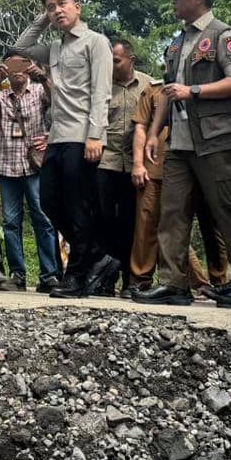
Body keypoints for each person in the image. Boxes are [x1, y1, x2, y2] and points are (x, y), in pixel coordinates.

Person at [135, 0, 231, 307]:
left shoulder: (222, 35)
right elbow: (167, 93)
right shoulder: (177, 41)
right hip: (180, 144)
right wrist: (155, 132)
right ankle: (174, 284)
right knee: (172, 212)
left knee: (226, 212)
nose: (174, 1)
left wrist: (195, 91)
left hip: (216, 141)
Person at [13, 0, 114, 298]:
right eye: (50, 7)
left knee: (77, 206)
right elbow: (21, 47)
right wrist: (42, 20)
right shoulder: (54, 48)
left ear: (78, 6)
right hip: (56, 138)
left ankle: (78, 275)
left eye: (62, 4)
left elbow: (102, 92)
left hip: (82, 137)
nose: (57, 10)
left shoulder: (96, 42)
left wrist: (96, 135)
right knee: (49, 202)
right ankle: (97, 254)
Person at [130, 53, 231, 293]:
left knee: (211, 224)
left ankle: (219, 283)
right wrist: (138, 163)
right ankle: (142, 281)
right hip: (158, 165)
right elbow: (141, 127)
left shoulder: (208, 87)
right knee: (152, 225)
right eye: (170, 61)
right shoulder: (155, 90)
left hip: (202, 163)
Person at [0, 52, 61, 292]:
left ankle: (50, 274)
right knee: (11, 222)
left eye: (21, 64)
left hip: (35, 165)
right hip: (7, 166)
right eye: (11, 65)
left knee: (43, 219)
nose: (17, 69)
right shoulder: (1, 95)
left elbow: (59, 104)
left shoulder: (38, 90)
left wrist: (45, 77)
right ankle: (18, 274)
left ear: (28, 67)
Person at [97, 39, 153, 296]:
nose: (112, 65)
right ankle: (105, 279)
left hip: (136, 165)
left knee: (132, 223)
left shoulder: (150, 85)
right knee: (105, 222)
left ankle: (132, 280)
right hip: (106, 163)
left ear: (131, 59)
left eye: (116, 60)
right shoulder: (102, 86)